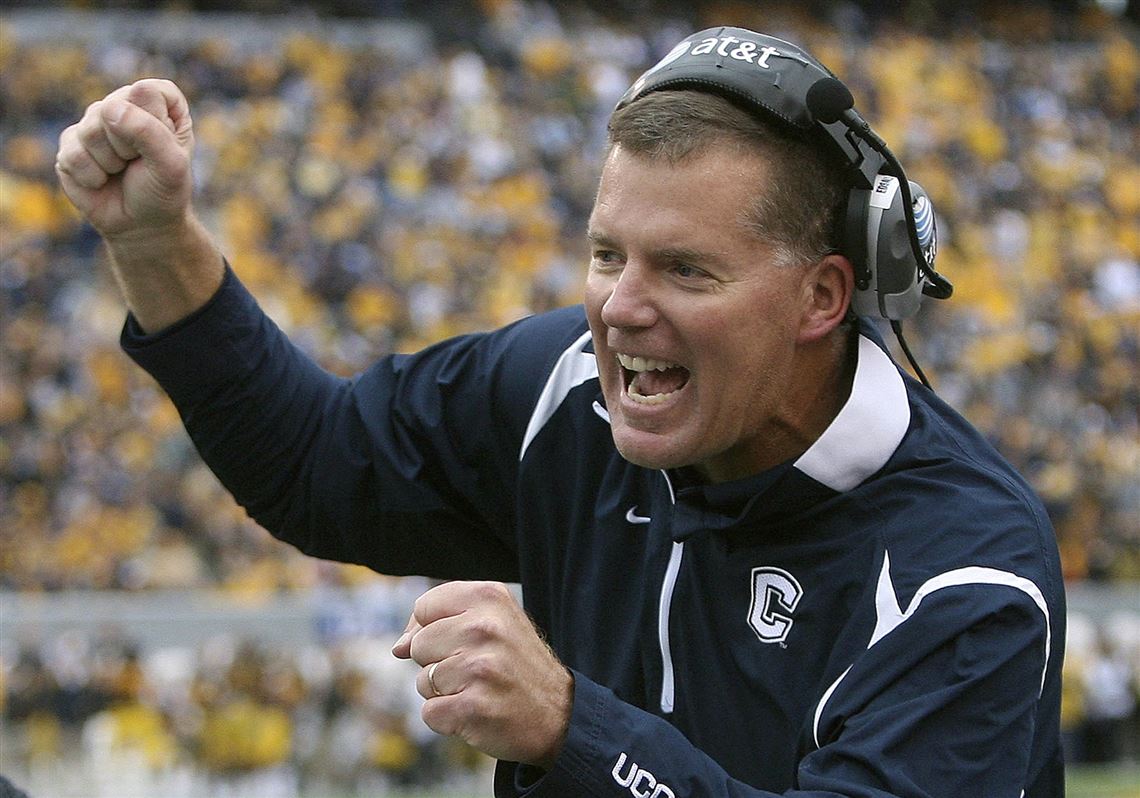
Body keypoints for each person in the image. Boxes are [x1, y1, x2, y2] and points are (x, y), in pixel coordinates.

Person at [55, 25, 1066, 798]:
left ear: (822, 297)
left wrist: (574, 730)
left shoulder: (965, 572)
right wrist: (155, 241)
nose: (620, 309)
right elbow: (317, 467)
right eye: (606, 254)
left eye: (685, 269)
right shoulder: (565, 389)